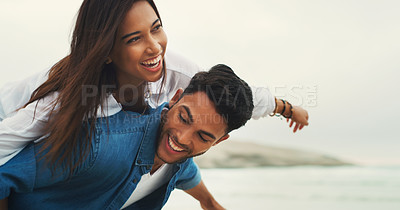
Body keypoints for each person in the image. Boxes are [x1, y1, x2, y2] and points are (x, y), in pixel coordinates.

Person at [0, 0, 308, 167]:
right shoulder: (72, 98)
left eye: (156, 28)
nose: (155, 48)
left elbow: (244, 98)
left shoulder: (178, 73)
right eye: (134, 39)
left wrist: (289, 108)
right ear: (106, 51)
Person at [1, 64, 254, 209]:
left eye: (203, 136)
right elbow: (4, 176)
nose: (183, 139)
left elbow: (188, 175)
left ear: (218, 141)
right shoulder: (101, 143)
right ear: (174, 99)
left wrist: (209, 202)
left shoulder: (180, 159)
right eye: (184, 118)